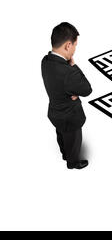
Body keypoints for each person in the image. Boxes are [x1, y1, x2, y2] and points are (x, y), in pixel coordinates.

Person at [41, 22, 92, 169]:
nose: (75, 49)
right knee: (73, 140)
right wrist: (73, 66)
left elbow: (56, 82)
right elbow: (87, 90)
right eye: (75, 45)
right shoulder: (68, 72)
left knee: (61, 135)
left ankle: (64, 154)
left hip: (55, 112)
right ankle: (73, 162)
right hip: (70, 116)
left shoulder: (45, 61)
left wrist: (70, 90)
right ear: (68, 45)